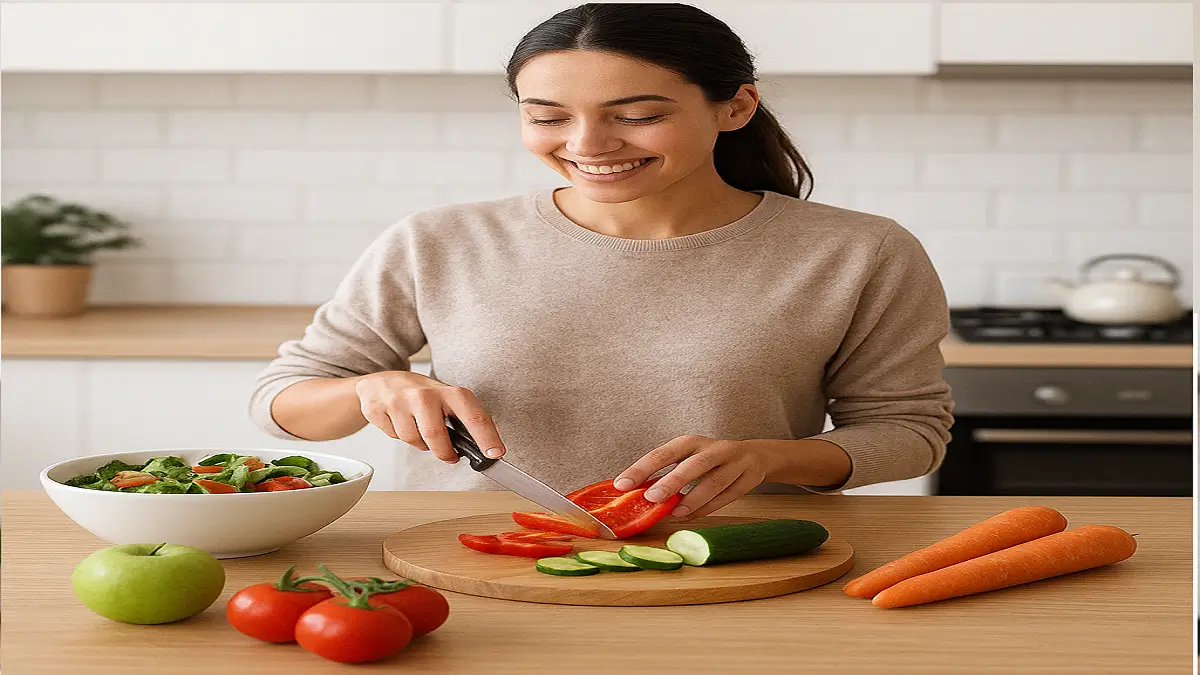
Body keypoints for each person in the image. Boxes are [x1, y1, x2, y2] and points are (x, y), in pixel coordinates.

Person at [249, 3, 954, 520]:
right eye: (547, 117)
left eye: (637, 115)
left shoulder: (858, 252)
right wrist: (371, 390)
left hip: (727, 560)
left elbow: (909, 432)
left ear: (736, 107)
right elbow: (282, 403)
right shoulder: (439, 240)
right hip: (466, 554)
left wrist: (772, 456)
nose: (588, 144)